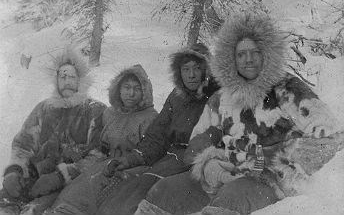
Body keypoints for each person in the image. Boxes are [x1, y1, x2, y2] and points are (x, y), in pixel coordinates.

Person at [138, 14, 341, 215]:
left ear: (266, 54)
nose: (248, 59)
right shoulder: (221, 97)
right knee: (163, 191)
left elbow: (330, 137)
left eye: (255, 52)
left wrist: (270, 160)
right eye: (241, 54)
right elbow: (198, 143)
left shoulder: (287, 89)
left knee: (230, 199)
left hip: (272, 180)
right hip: (225, 174)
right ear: (231, 58)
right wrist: (210, 164)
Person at [94, 43, 220, 215]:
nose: (191, 75)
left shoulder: (218, 97)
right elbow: (157, 136)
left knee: (156, 195)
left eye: (197, 68)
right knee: (127, 193)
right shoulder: (176, 97)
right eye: (186, 69)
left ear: (207, 70)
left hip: (198, 163)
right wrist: (131, 159)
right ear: (179, 72)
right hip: (170, 160)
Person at [0, 50, 106, 215]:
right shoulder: (44, 108)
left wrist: (61, 176)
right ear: (56, 80)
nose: (67, 81)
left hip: (73, 187)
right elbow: (23, 144)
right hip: (33, 180)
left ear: (80, 80)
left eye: (72, 77)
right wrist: (15, 170)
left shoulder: (95, 111)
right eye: (62, 77)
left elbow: (98, 155)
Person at [45, 64, 158, 215]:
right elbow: (100, 148)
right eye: (126, 87)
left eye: (137, 89)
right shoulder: (109, 113)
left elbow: (151, 155)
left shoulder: (151, 118)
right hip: (103, 166)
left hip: (131, 172)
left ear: (145, 91)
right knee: (73, 197)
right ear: (118, 89)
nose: (131, 93)